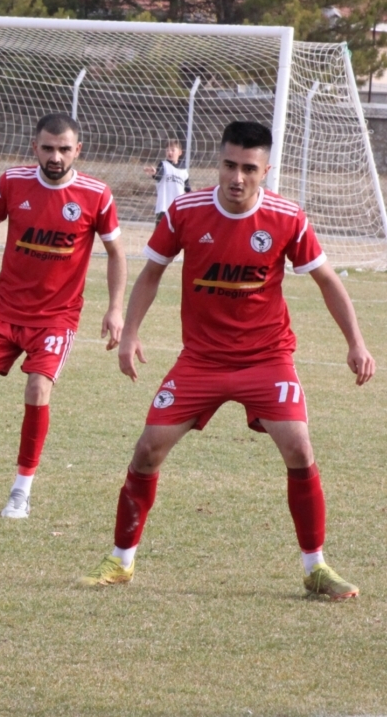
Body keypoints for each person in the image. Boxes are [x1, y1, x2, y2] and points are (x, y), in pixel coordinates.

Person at [80, 121, 375, 598]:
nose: (237, 177)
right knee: (147, 449)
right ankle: (120, 561)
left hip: (267, 358)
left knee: (299, 448)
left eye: (249, 169)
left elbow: (327, 281)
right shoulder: (184, 212)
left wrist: (356, 342)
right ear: (218, 162)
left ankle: (316, 567)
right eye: (229, 165)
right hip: (201, 360)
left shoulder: (287, 217)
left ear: (266, 170)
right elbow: (152, 273)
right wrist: (130, 332)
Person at [0, 112, 127, 519]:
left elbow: (115, 253)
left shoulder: (97, 194)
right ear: (34, 147)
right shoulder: (12, 183)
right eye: (47, 148)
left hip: (57, 318)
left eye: (64, 149)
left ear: (78, 150)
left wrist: (115, 309)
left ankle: (21, 489)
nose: (55, 157)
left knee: (37, 391)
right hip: (5, 311)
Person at [143, 138, 190, 219]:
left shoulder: (184, 171)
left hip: (178, 209)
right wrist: (154, 173)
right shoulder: (163, 165)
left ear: (180, 152)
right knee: (161, 231)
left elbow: (187, 189)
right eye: (167, 150)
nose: (169, 152)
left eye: (172, 150)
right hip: (163, 208)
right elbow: (158, 176)